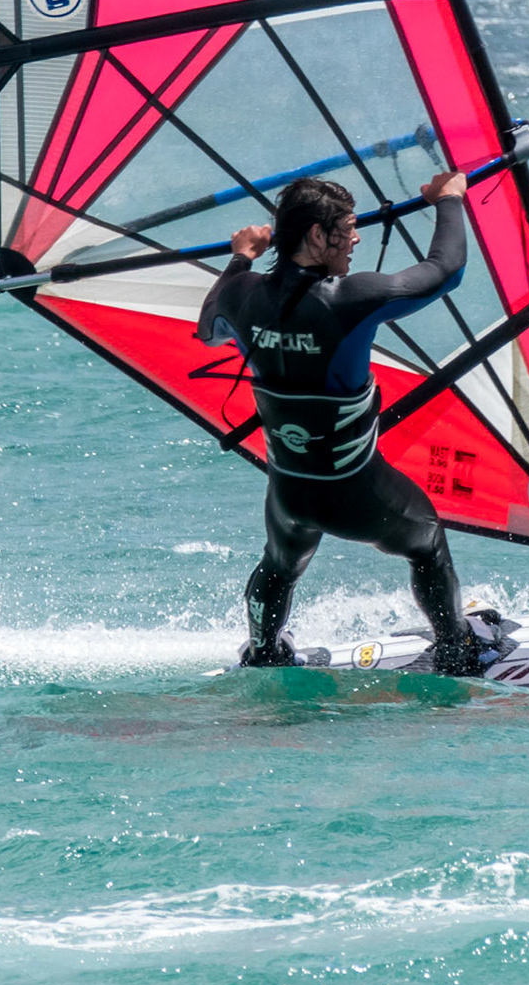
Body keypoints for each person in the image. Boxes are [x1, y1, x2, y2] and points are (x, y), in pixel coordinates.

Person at [196, 168, 492, 677]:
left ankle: (263, 650)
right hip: (356, 492)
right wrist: (448, 199)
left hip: (289, 493)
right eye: (348, 227)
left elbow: (207, 330)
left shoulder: (242, 294)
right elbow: (446, 269)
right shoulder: (352, 298)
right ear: (317, 235)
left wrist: (241, 255)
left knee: (281, 564)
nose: (356, 238)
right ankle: (455, 651)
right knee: (427, 544)